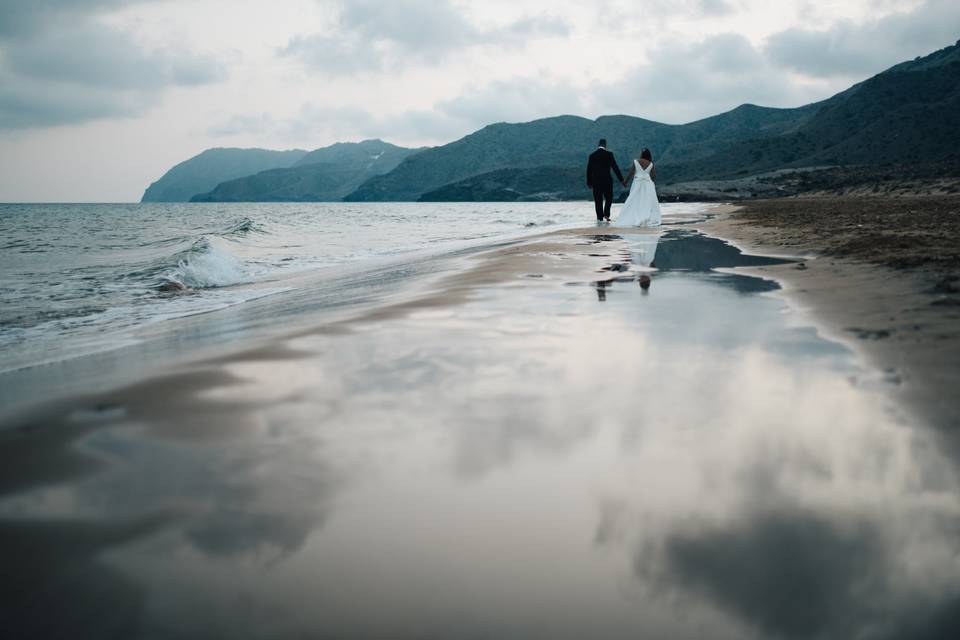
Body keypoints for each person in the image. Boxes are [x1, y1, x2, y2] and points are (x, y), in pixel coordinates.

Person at [616, 148, 661, 227]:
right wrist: (648, 177)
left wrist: (625, 182)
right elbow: (654, 176)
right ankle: (645, 216)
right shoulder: (651, 163)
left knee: (634, 199)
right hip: (647, 184)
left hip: (637, 183)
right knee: (646, 201)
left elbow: (630, 173)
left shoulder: (636, 161)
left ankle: (634, 217)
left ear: (642, 154)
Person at [585, 139, 625, 222]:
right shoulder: (609, 154)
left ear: (598, 144)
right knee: (609, 198)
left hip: (596, 181)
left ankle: (599, 218)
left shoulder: (592, 155)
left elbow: (589, 170)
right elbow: (615, 168)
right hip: (607, 180)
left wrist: (589, 182)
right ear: (605, 145)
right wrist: (621, 180)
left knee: (598, 200)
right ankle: (606, 214)